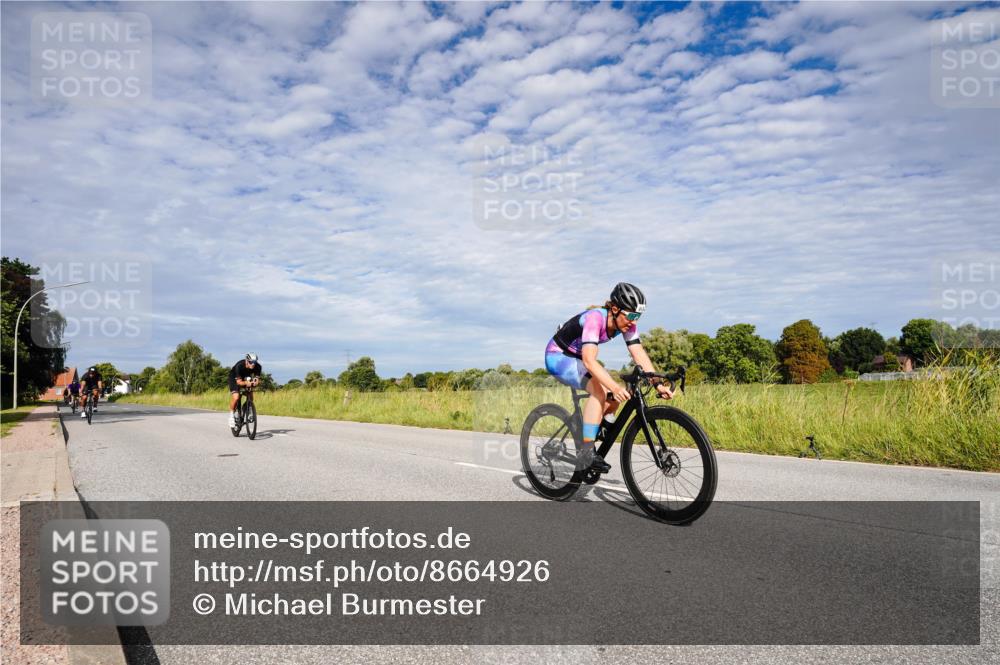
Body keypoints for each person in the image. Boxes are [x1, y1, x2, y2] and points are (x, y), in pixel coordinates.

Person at [545, 282, 673, 473]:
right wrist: (613, 386)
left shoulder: (627, 324)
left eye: (638, 316)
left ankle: (592, 432)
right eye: (631, 315)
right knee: (600, 390)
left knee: (614, 398)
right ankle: (586, 453)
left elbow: (638, 353)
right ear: (614, 309)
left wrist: (658, 384)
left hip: (577, 357)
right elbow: (589, 361)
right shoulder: (595, 319)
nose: (634, 321)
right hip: (558, 356)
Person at [228, 353, 262, 428]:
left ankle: (246, 408)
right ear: (246, 361)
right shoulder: (239, 366)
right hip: (234, 379)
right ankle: (231, 416)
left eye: (254, 362)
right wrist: (246, 383)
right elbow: (239, 382)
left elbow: (258, 379)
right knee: (236, 397)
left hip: (245, 378)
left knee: (250, 396)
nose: (253, 364)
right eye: (251, 362)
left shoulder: (258, 367)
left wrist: (256, 382)